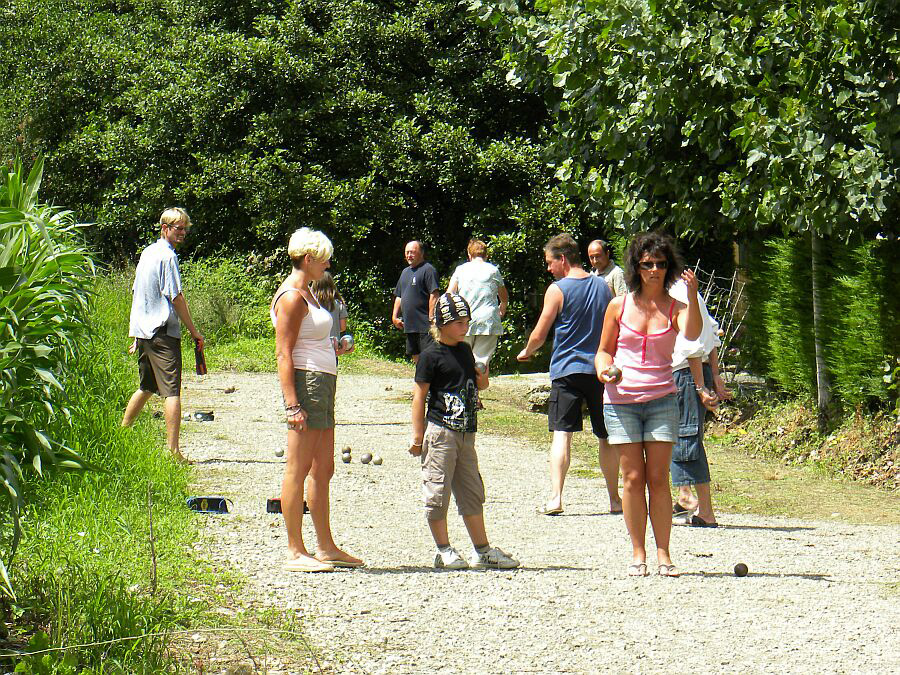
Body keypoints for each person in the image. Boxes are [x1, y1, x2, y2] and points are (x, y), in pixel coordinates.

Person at [596, 232, 701, 578]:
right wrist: (602, 370)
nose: (654, 270)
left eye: (660, 263)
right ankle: (638, 553)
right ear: (636, 267)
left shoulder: (676, 307)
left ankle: (664, 554)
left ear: (669, 267)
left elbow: (692, 334)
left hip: (661, 400)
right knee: (632, 478)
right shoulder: (619, 305)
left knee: (658, 479)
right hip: (621, 401)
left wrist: (694, 295)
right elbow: (604, 350)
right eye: (647, 264)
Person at [271, 227, 362, 573]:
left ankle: (326, 547)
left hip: (323, 381)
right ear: (308, 259)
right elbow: (283, 353)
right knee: (298, 467)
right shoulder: (292, 297)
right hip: (306, 383)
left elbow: (313, 338)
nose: (327, 266)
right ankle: (295, 550)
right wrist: (292, 404)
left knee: (324, 468)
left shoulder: (307, 292)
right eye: (324, 260)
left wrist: (336, 347)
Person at [410, 293, 520, 570]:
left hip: (466, 434)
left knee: (472, 492)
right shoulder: (430, 355)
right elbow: (418, 396)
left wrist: (483, 376)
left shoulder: (464, 350)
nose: (465, 326)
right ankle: (443, 549)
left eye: (467, 320)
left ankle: (482, 550)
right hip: (440, 432)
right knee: (437, 492)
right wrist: (417, 436)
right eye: (459, 322)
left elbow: (480, 387)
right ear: (442, 324)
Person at [517, 234, 621, 517]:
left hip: (566, 370)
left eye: (550, 262)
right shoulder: (604, 287)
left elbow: (540, 332)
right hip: (601, 371)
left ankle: (556, 498)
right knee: (606, 436)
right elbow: (617, 328)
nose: (549, 268)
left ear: (562, 259)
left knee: (562, 434)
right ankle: (614, 499)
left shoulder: (557, 289)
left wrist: (527, 351)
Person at [121, 207, 204, 464]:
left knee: (147, 386)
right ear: (164, 228)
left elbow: (138, 293)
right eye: (178, 228)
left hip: (146, 332)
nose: (182, 233)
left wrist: (136, 333)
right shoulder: (167, 257)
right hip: (161, 333)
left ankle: (122, 433)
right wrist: (194, 331)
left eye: (184, 229)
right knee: (172, 391)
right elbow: (176, 297)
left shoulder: (147, 253)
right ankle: (173, 453)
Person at [669, 279, 732, 527]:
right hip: (695, 372)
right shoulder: (687, 290)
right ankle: (685, 497)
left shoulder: (674, 293)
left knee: (685, 438)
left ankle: (702, 508)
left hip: (686, 374)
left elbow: (691, 346)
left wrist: (700, 386)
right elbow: (712, 336)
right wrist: (714, 376)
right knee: (683, 437)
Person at [447, 239, 509, 372]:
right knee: (481, 358)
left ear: (469, 255)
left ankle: (463, 386)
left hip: (464, 319)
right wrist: (503, 305)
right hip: (488, 319)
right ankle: (478, 374)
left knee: (463, 356)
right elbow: (503, 294)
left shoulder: (461, 270)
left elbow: (449, 293)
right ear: (486, 255)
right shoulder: (493, 270)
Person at [392, 241, 440, 363]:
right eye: (407, 252)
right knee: (415, 357)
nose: (409, 255)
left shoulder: (428, 270)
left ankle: (431, 381)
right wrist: (394, 316)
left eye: (412, 252)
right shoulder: (405, 272)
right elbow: (399, 296)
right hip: (409, 325)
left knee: (428, 357)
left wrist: (431, 317)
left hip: (424, 325)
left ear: (421, 253)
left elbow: (434, 294)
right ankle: (420, 380)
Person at [310, 271, 350, 342]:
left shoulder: (311, 303)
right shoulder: (338, 304)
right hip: (333, 345)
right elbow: (343, 327)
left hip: (315, 345)